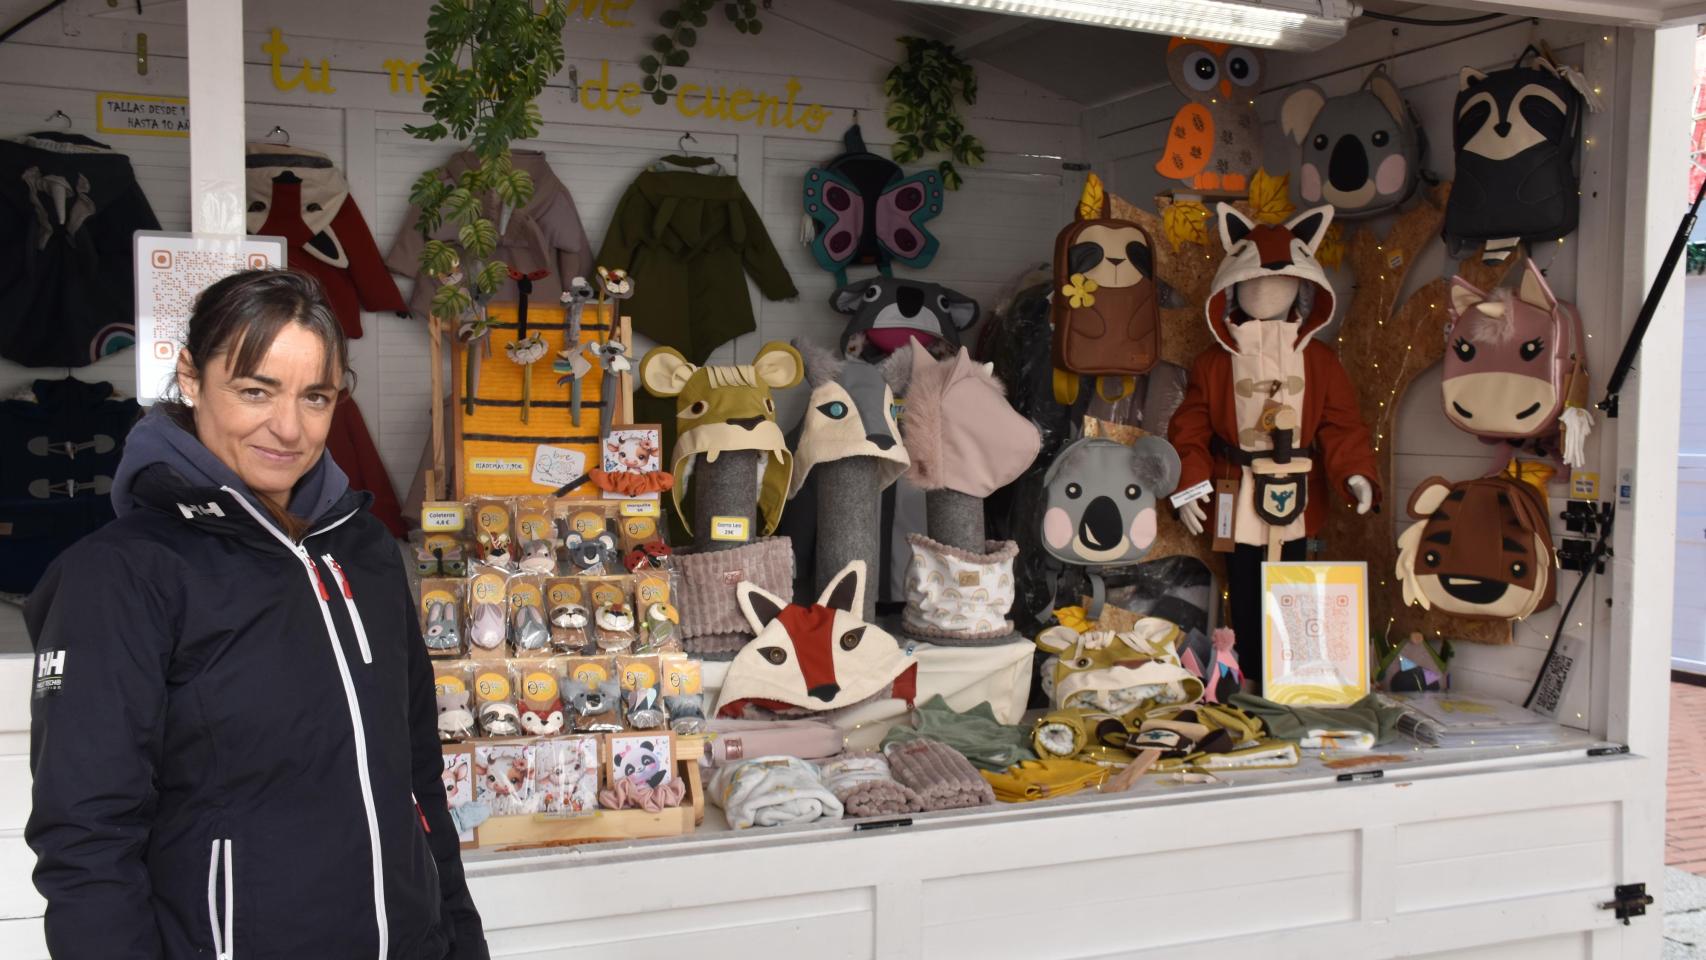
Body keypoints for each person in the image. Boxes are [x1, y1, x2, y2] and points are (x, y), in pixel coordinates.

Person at [25, 270, 489, 959]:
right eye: (255, 390)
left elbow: (419, 783)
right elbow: (87, 842)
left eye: (316, 397)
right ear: (190, 375)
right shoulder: (119, 575)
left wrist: (461, 944)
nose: (289, 428)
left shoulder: (365, 552)